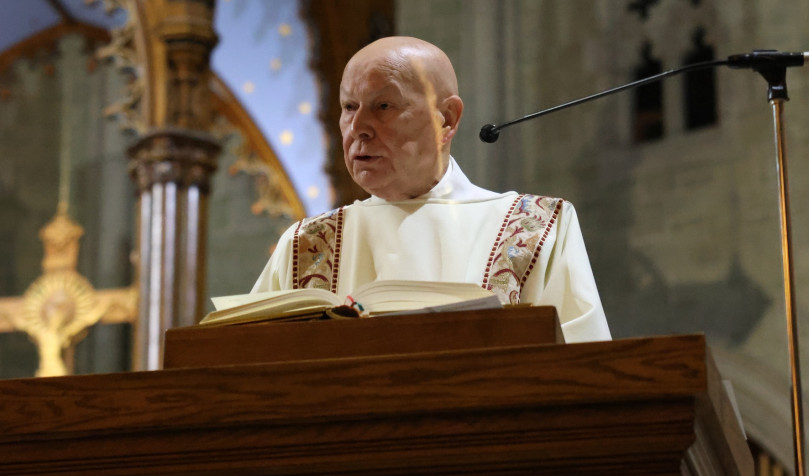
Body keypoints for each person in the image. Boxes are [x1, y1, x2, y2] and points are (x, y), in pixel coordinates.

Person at [252, 36, 610, 342]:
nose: (358, 127)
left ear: (447, 119)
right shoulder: (305, 244)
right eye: (349, 106)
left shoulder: (536, 228)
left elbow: (582, 371)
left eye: (384, 106)